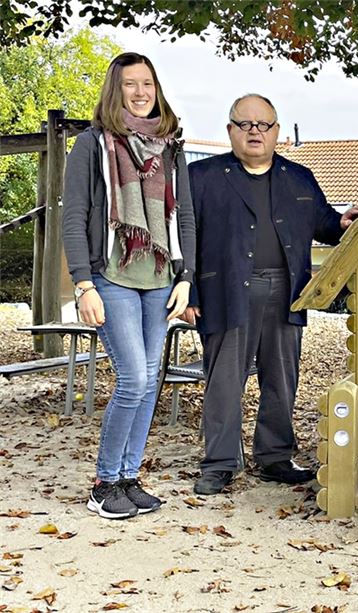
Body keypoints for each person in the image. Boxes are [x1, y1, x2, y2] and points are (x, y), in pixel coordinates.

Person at [185, 94, 358, 495]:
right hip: (225, 291)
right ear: (230, 130)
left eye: (263, 125)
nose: (254, 132)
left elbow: (325, 224)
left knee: (282, 378)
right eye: (245, 125)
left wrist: (343, 222)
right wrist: (189, 291)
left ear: (277, 131)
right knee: (224, 381)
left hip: (286, 291)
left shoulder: (299, 177)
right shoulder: (201, 178)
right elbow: (185, 239)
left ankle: (275, 457)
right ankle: (221, 462)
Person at [62, 52, 195, 519]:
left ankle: (128, 476)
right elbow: (73, 218)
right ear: (114, 91)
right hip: (111, 277)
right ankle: (104, 483)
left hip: (160, 279)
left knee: (148, 382)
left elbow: (186, 219)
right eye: (129, 85)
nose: (140, 93)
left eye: (147, 84)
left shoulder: (170, 147)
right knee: (134, 378)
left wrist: (186, 278)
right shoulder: (92, 145)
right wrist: (83, 285)